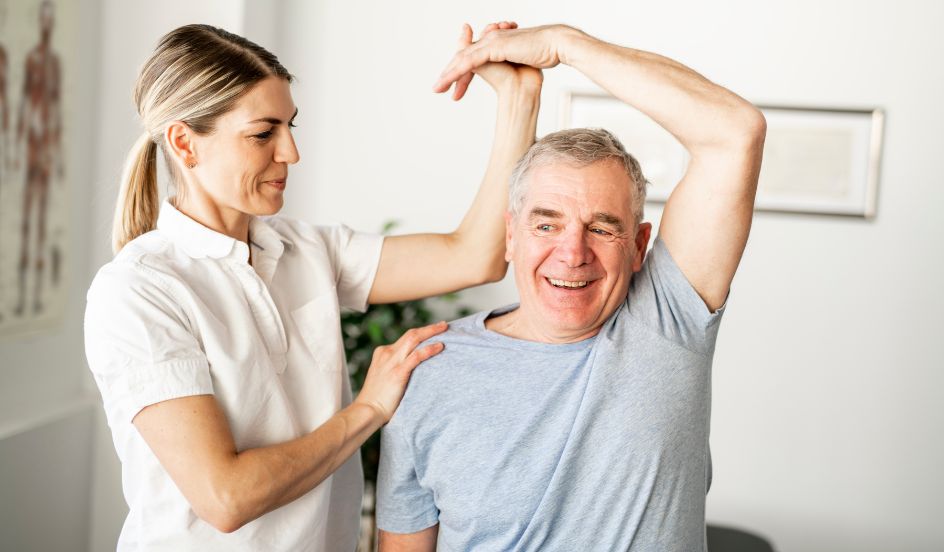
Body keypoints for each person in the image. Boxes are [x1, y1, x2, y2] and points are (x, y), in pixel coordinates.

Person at [84, 22, 541, 551]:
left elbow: (476, 256)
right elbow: (225, 498)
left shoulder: (307, 251)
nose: (291, 153)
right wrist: (369, 408)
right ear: (185, 144)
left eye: (291, 127)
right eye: (264, 133)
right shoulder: (140, 291)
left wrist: (519, 96)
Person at [376, 24, 766, 551]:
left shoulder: (667, 320)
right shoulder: (428, 369)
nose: (573, 252)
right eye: (547, 224)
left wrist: (564, 45)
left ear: (637, 245)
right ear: (511, 235)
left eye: (602, 228)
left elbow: (734, 131)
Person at [15, 0, 62, 316]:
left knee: (41, 224)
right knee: (27, 223)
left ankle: (33, 297)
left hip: (45, 147)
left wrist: (56, 155)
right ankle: (21, 297)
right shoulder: (32, 59)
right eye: (43, 19)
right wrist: (16, 148)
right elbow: (23, 105)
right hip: (32, 145)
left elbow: (55, 108)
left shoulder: (54, 63)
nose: (47, 25)